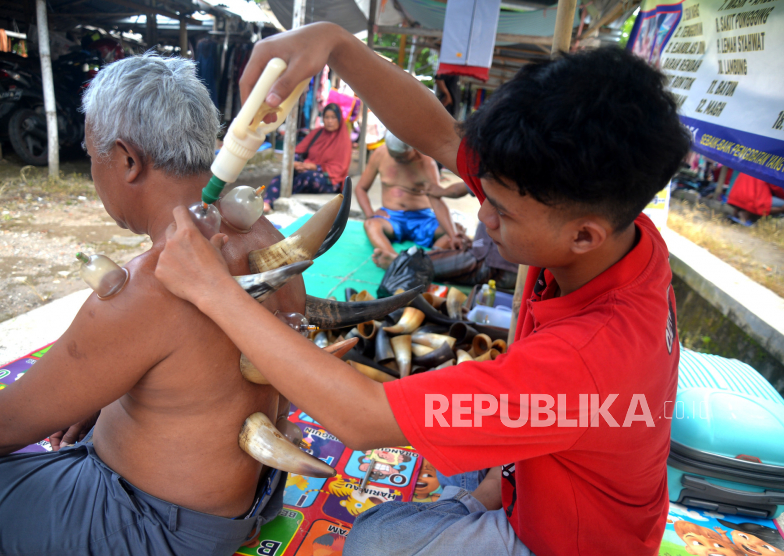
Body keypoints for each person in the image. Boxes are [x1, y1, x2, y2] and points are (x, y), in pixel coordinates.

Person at [154, 25, 689, 556]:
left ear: (583, 235)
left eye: (500, 211)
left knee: (376, 539)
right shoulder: (615, 228)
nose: (482, 213)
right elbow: (440, 137)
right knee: (449, 469)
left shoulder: (590, 356)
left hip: (571, 543)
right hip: (549, 467)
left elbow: (364, 419)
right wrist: (335, 44)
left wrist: (214, 292)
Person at [0, 53, 299, 555]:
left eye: (93, 156)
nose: (95, 171)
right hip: (251, 502)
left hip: (156, 526)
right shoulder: (267, 236)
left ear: (127, 159)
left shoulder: (148, 286)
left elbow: (1, 427)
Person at [358, 131, 467, 269]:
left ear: (413, 149)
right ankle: (395, 261)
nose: (399, 160)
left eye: (403, 157)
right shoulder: (380, 154)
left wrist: (453, 234)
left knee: (456, 231)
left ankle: (428, 260)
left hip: (423, 218)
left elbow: (437, 201)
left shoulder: (427, 163)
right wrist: (370, 214)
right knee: (371, 224)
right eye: (395, 156)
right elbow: (360, 188)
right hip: (391, 217)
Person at [263, 102, 352, 212]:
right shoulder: (317, 133)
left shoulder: (344, 141)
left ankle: (273, 201)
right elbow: (297, 151)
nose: (329, 121)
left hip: (330, 181)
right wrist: (296, 163)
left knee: (306, 177)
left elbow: (340, 169)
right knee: (280, 177)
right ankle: (266, 202)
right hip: (306, 169)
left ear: (339, 119)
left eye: (333, 117)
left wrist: (315, 167)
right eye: (327, 117)